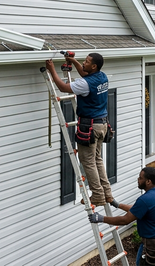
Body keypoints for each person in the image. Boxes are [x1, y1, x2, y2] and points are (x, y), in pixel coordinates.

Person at [45, 52, 116, 208]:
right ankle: (107, 193)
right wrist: (74, 61)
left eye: (87, 61)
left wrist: (51, 69)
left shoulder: (85, 84)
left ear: (94, 66)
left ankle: (97, 196)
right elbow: (85, 73)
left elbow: (63, 88)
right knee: (97, 160)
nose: (84, 63)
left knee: (88, 162)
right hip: (102, 124)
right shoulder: (102, 76)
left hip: (90, 126)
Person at [88, 167, 155, 266]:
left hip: (154, 246)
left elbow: (125, 220)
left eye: (140, 178)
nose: (138, 179)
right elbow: (137, 209)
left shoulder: (145, 199)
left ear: (148, 181)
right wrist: (117, 204)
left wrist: (101, 218)